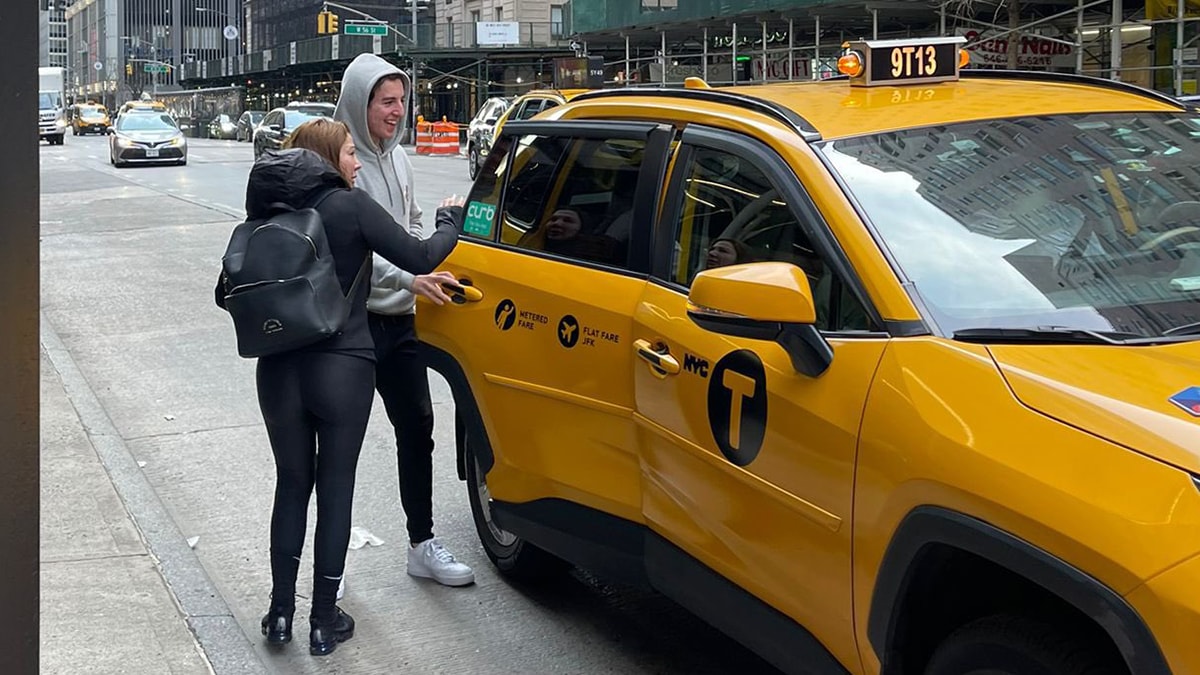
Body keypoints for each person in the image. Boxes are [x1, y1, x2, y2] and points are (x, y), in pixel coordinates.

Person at [215, 118, 462, 656]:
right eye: (350, 153)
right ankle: (324, 621)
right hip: (343, 366)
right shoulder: (348, 207)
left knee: (291, 484)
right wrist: (451, 219)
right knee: (336, 488)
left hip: (277, 370)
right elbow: (421, 257)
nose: (355, 163)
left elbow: (226, 291)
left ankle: (280, 612)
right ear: (329, 158)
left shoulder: (268, 216)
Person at [333, 53, 475, 587]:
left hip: (401, 324)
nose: (397, 112)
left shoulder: (401, 160)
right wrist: (410, 277)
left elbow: (410, 230)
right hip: (354, 326)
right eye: (386, 102)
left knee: (418, 432)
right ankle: (333, 564)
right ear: (359, 102)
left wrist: (415, 277)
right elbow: (352, 255)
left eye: (401, 101)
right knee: (341, 444)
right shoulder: (341, 165)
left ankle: (422, 543)